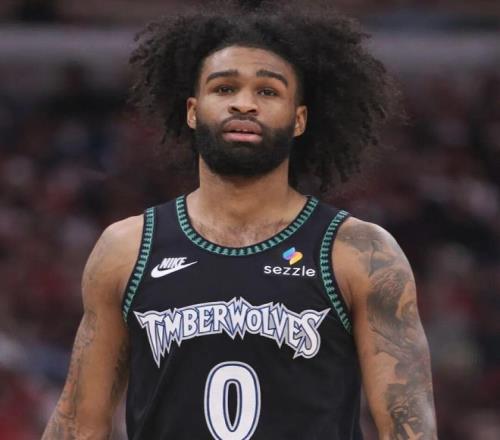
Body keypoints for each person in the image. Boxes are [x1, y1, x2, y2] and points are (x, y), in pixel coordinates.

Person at [42, 2, 438, 439]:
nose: (244, 104)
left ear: (299, 119)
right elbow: (78, 425)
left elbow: (409, 428)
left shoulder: (359, 252)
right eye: (225, 88)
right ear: (193, 110)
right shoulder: (128, 248)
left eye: (268, 92)